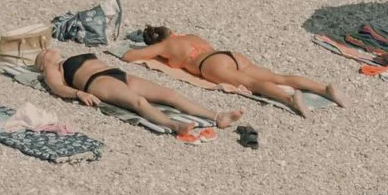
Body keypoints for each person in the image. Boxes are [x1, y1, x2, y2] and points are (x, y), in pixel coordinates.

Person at [123, 28, 345, 115]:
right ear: (171, 30)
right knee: (278, 76)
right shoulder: (190, 36)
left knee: (252, 85)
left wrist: (155, 52)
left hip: (210, 65)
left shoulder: (166, 46)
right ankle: (323, 89)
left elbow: (129, 56)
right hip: (230, 55)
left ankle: (289, 99)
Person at [35, 46, 239, 138]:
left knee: (170, 95)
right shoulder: (53, 69)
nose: (47, 50)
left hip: (117, 73)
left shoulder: (63, 58)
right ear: (42, 64)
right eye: (43, 54)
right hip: (97, 81)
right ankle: (174, 125)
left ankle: (218, 116)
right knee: (138, 102)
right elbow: (57, 87)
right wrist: (78, 94)